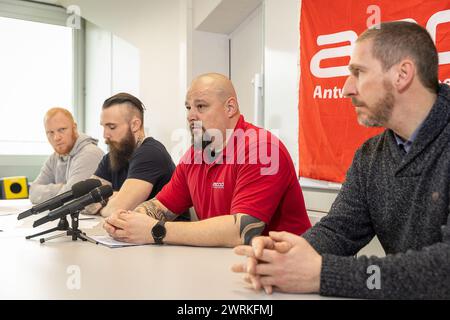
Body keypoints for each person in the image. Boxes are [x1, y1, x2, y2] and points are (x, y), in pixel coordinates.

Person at [232, 21, 450, 299]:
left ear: (402, 74)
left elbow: (445, 270)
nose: (346, 88)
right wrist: (284, 256)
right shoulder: (371, 156)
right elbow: (339, 230)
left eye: (358, 72)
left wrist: (324, 274)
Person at [103, 73, 311, 247]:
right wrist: (127, 222)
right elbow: (161, 206)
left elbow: (241, 232)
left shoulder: (263, 148)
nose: (191, 116)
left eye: (201, 106)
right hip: (224, 265)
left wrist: (156, 230)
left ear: (230, 108)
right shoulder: (196, 154)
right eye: (188, 108)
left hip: (282, 277)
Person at [83, 92, 178, 218]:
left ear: (135, 125)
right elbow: (84, 203)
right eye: (104, 127)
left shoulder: (150, 153)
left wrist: (107, 200)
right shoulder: (113, 155)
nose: (105, 135)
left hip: (165, 236)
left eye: (112, 127)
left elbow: (116, 210)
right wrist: (115, 196)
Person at [29, 108, 104, 204]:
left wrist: (65, 190)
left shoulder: (90, 154)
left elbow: (70, 197)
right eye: (50, 132)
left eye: (62, 130)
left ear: (74, 128)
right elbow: (33, 192)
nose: (56, 138)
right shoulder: (55, 157)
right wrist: (62, 188)